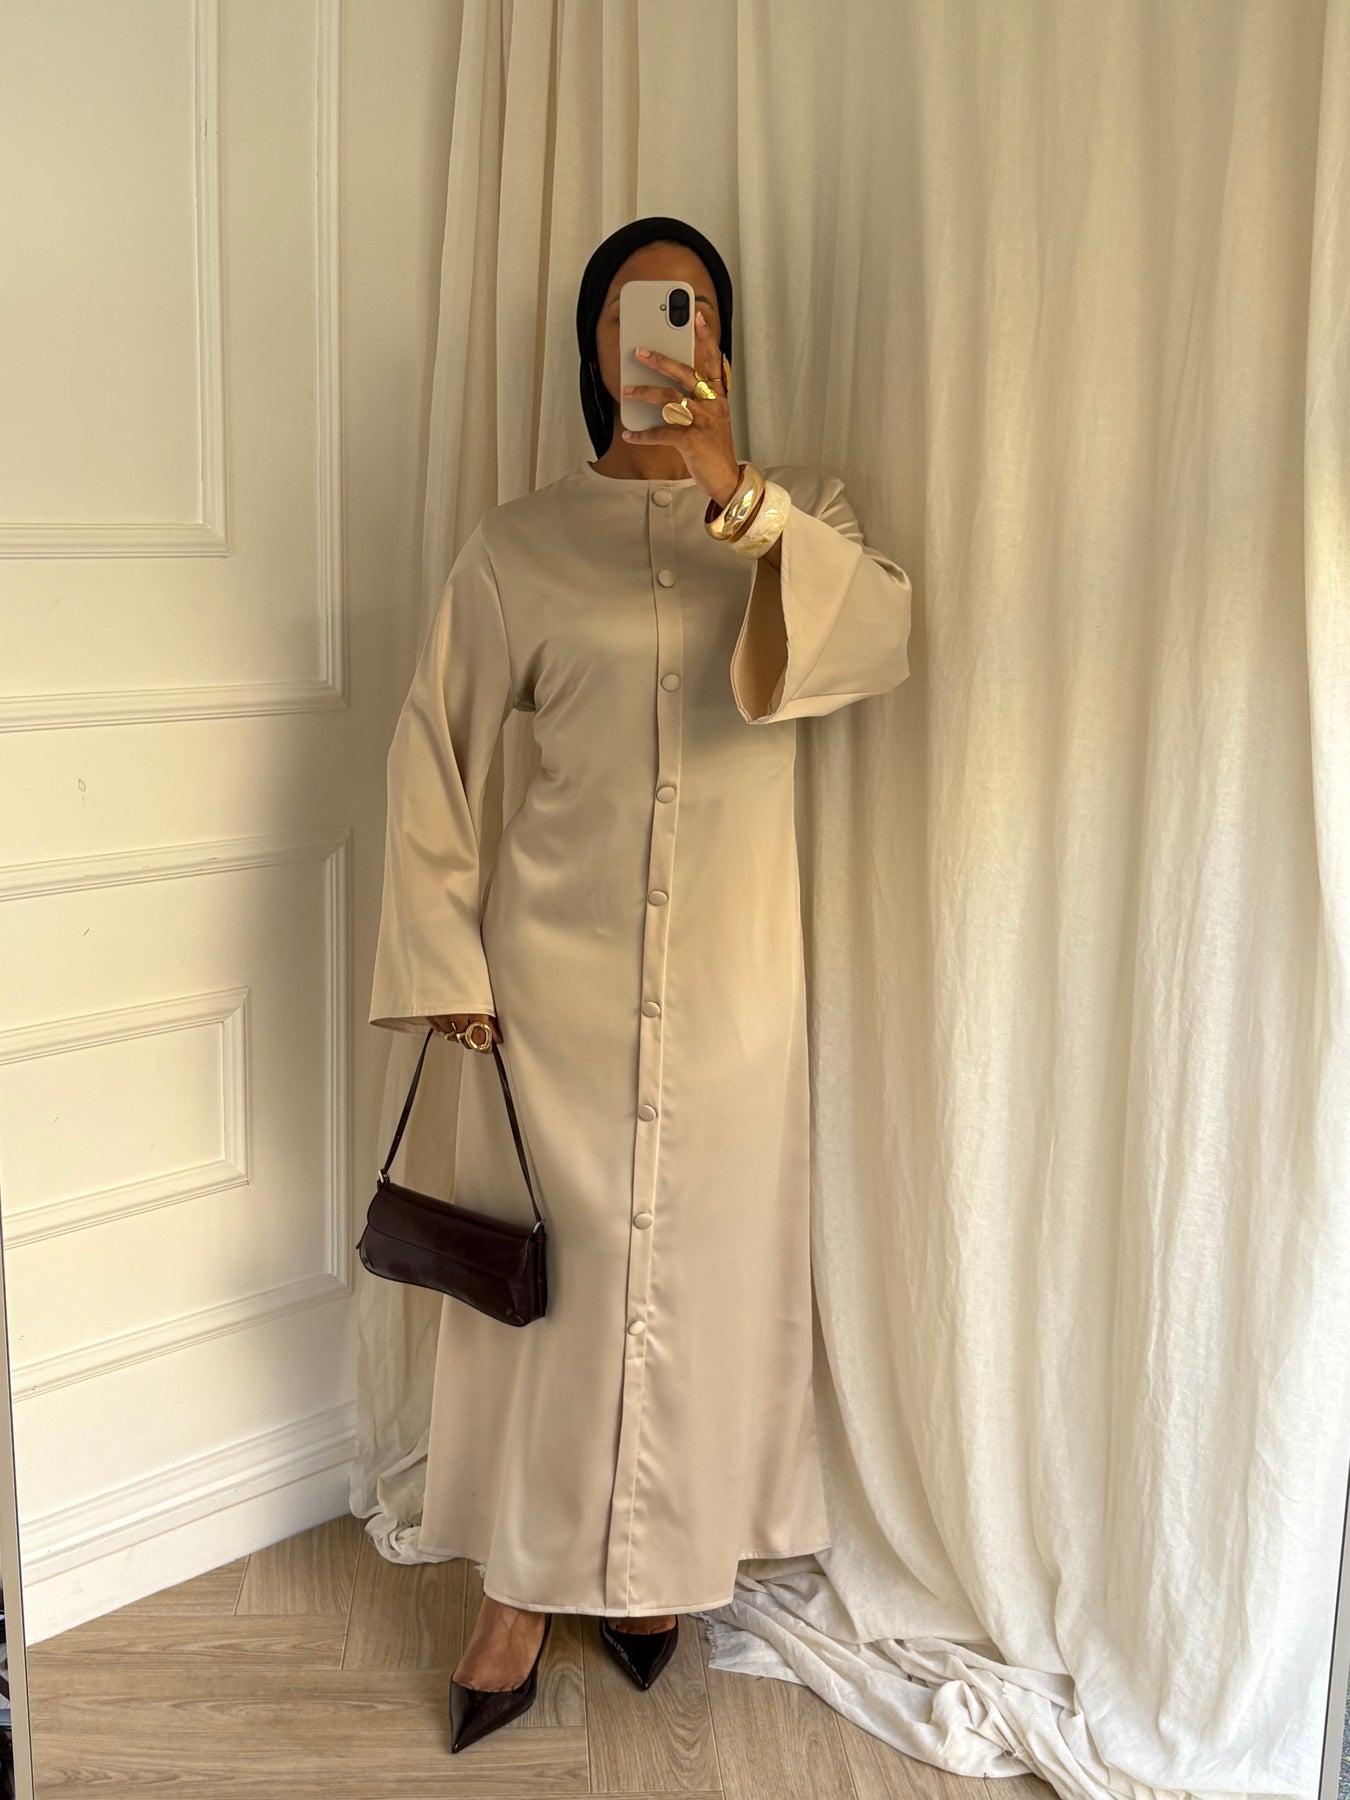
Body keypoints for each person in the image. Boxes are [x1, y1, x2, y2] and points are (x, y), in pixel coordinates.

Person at [368, 214, 913, 1750]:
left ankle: (657, 1572)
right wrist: (442, 955)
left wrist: (737, 492)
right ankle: (515, 1594)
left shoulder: (796, 519)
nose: (656, 336)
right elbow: (432, 746)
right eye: (629, 311)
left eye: (684, 311)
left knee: (700, 1290)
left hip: (733, 990)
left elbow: (872, 641)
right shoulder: (516, 541)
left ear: (718, 343)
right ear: (592, 346)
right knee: (553, 1300)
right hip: (551, 988)